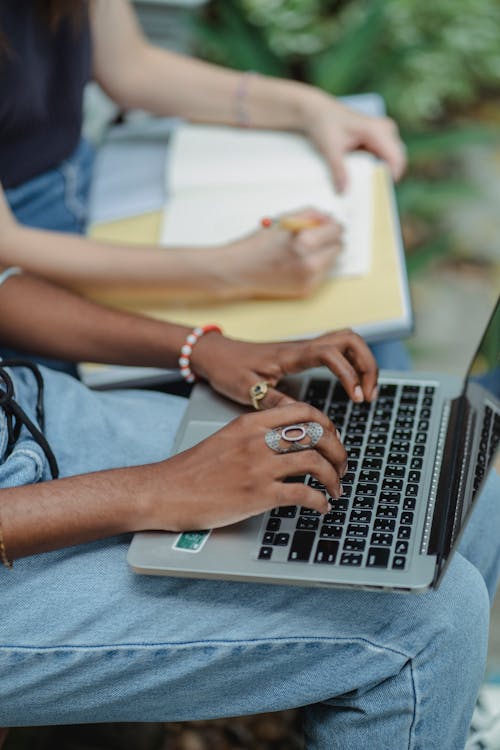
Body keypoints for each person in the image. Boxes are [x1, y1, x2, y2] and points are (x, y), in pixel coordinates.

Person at [0, 264, 499, 750]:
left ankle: (438, 711)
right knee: (431, 618)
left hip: (29, 411)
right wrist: (156, 490)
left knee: (467, 499)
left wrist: (204, 349)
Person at [0, 0, 406, 305]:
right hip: (26, 253)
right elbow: (7, 246)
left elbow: (131, 68)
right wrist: (232, 269)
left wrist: (307, 108)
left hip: (88, 183)